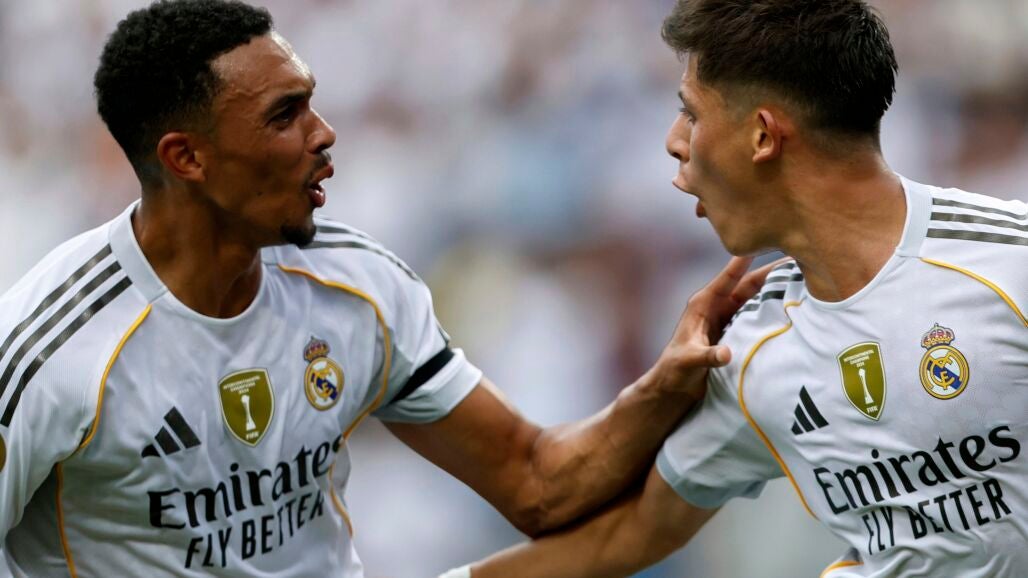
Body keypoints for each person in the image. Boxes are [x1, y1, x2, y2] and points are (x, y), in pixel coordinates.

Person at [0, 1, 773, 576]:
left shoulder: (357, 286)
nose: (324, 133)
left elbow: (537, 484)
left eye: (311, 101)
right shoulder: (49, 348)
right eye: (285, 115)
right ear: (187, 158)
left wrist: (660, 389)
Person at [449, 0, 1028, 577]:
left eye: (691, 114)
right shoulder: (747, 350)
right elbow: (627, 534)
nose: (674, 142)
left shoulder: (1009, 263)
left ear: (762, 135)